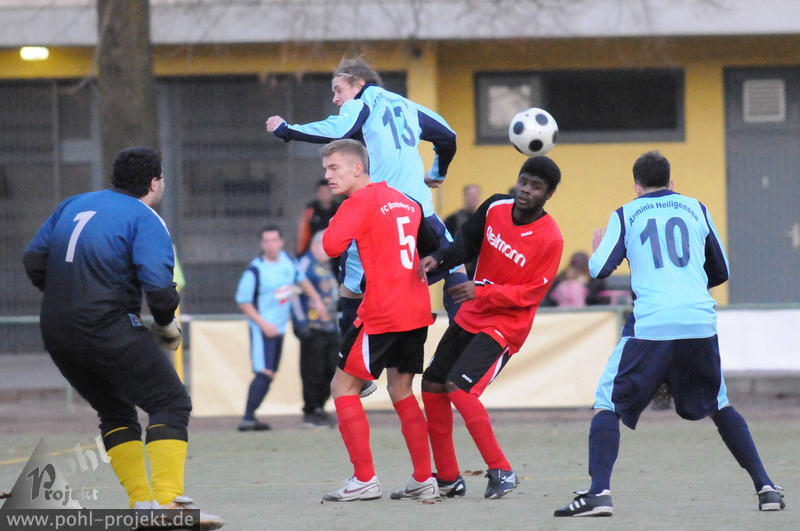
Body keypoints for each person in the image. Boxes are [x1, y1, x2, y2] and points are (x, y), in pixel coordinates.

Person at [553, 150, 785, 517]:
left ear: (636, 186)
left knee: (607, 403)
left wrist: (598, 250)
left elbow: (598, 270)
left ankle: (599, 494)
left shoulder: (626, 213)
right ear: (672, 182)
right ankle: (766, 488)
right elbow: (722, 270)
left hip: (653, 323)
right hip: (698, 321)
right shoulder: (696, 208)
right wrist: (684, 286)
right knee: (719, 404)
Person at [22, 146, 223, 528]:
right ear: (154, 183)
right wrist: (165, 324)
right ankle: (167, 504)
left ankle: (142, 505)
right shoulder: (144, 217)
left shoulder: (73, 204)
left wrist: (68, 297)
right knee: (170, 402)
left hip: (57, 328)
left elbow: (34, 259)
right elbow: (159, 288)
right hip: (106, 325)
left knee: (114, 411)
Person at [266, 57, 468, 326]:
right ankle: (463, 332)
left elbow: (340, 129)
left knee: (352, 280)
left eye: (338, 90)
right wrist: (438, 173)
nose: (336, 99)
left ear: (359, 83)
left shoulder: (361, 103)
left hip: (384, 209)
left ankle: (350, 340)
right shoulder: (409, 106)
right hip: (419, 208)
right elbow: (448, 137)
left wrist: (287, 130)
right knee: (453, 262)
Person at [419, 156, 564, 499]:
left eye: (536, 187)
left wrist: (481, 290)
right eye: (524, 181)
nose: (526, 190)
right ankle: (448, 478)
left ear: (548, 195)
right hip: (473, 313)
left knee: (459, 388)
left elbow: (531, 294)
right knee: (432, 385)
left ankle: (502, 470)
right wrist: (440, 258)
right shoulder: (496, 206)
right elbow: (465, 243)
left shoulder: (551, 238)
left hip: (505, 326)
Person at [318, 139, 440, 502]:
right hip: (416, 309)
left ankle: (364, 479)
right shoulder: (405, 199)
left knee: (342, 387)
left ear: (358, 168)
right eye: (325, 169)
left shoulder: (359, 202)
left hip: (383, 312)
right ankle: (424, 478)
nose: (328, 175)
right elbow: (430, 244)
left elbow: (330, 245)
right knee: (401, 391)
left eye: (334, 167)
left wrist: (340, 216)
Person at [235, 225, 328, 432]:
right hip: (263, 329)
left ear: (281, 242)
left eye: (274, 240)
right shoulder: (255, 270)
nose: (270, 245)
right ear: (262, 244)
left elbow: (302, 281)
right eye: (266, 241)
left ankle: (250, 417)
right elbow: (243, 301)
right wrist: (263, 324)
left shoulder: (288, 262)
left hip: (279, 328)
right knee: (264, 372)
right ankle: (247, 418)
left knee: (270, 373)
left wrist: (317, 300)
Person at [291, 231, 340, 427]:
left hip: (330, 327)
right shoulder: (305, 264)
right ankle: (312, 410)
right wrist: (301, 323)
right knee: (313, 370)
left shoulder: (325, 266)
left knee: (332, 368)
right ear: (316, 245)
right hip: (313, 327)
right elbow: (294, 294)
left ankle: (320, 406)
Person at [542, 251, 608, 307]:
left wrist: (583, 286)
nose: (578, 273)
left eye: (582, 270)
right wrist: (569, 285)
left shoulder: (595, 279)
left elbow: (599, 299)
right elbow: (549, 297)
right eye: (575, 270)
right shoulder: (562, 277)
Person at [444, 184, 481, 278]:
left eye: (475, 196)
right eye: (470, 195)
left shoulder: (482, 220)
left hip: (476, 273)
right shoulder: (452, 220)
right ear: (465, 196)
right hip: (456, 271)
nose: (473, 199)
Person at [296, 178, 339, 259]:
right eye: (321, 192)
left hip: (335, 251)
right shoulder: (310, 210)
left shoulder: (338, 209)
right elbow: (303, 233)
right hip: (313, 251)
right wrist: (301, 252)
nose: (324, 195)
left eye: (327, 192)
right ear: (317, 193)